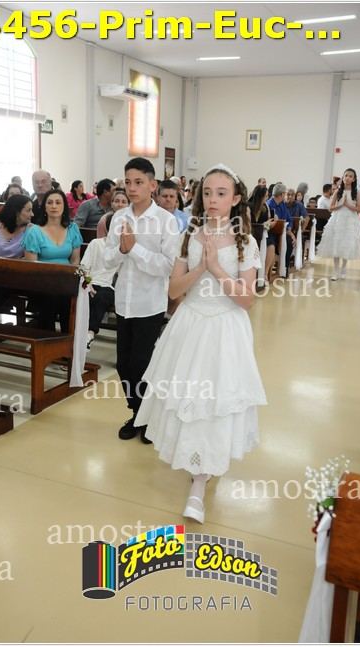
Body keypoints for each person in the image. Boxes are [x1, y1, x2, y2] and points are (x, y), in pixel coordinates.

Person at [134, 163, 267, 523]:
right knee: (189, 396)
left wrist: (218, 268)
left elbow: (247, 299)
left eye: (221, 193)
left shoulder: (246, 241)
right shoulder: (189, 236)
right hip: (190, 324)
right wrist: (201, 268)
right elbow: (173, 291)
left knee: (215, 401)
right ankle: (196, 467)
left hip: (225, 327)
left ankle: (201, 476)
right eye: (207, 192)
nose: (212, 199)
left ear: (236, 199)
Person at [104, 157, 179, 443]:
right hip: (124, 301)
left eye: (138, 182)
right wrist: (122, 251)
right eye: (128, 182)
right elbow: (108, 258)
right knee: (123, 365)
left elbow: (167, 266)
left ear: (152, 185)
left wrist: (134, 249)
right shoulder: (119, 218)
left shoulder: (165, 221)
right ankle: (138, 413)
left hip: (150, 304)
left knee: (142, 364)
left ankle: (148, 418)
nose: (132, 188)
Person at [23, 189, 83, 331]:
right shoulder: (35, 231)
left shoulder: (72, 228)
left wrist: (68, 280)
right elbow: (32, 266)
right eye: (49, 203)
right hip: (42, 282)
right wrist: (51, 281)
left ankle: (67, 339)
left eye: (58, 202)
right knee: (52, 297)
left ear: (64, 206)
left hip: (66, 280)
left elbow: (75, 260)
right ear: (44, 207)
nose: (54, 206)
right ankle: (47, 338)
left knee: (67, 297)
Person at [317, 168, 360, 280]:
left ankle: (343, 267)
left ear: (354, 179)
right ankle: (336, 271)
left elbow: (359, 209)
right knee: (336, 243)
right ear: (343, 177)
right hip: (337, 219)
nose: (347, 178)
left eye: (350, 176)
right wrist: (340, 205)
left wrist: (347, 205)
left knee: (346, 243)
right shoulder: (338, 191)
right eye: (346, 175)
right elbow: (331, 208)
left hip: (350, 220)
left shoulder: (356, 192)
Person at [81, 213, 118, 350]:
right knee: (85, 294)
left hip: (109, 286)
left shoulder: (123, 249)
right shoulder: (96, 244)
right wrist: (88, 283)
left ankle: (90, 333)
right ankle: (78, 335)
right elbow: (84, 267)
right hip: (91, 282)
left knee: (101, 297)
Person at [248, 185, 278, 283]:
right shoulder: (248, 206)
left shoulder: (265, 207)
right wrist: (265, 225)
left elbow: (266, 224)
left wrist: (271, 224)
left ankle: (264, 273)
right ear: (260, 196)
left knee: (271, 244)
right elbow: (249, 224)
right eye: (265, 196)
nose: (267, 198)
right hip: (251, 234)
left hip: (261, 234)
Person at [266, 183, 296, 277]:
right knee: (286, 240)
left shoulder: (282, 204)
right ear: (282, 194)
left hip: (282, 232)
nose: (285, 195)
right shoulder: (269, 205)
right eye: (285, 193)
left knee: (289, 241)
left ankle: (284, 268)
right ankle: (275, 269)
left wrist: (289, 229)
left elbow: (289, 219)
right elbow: (271, 222)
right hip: (272, 232)